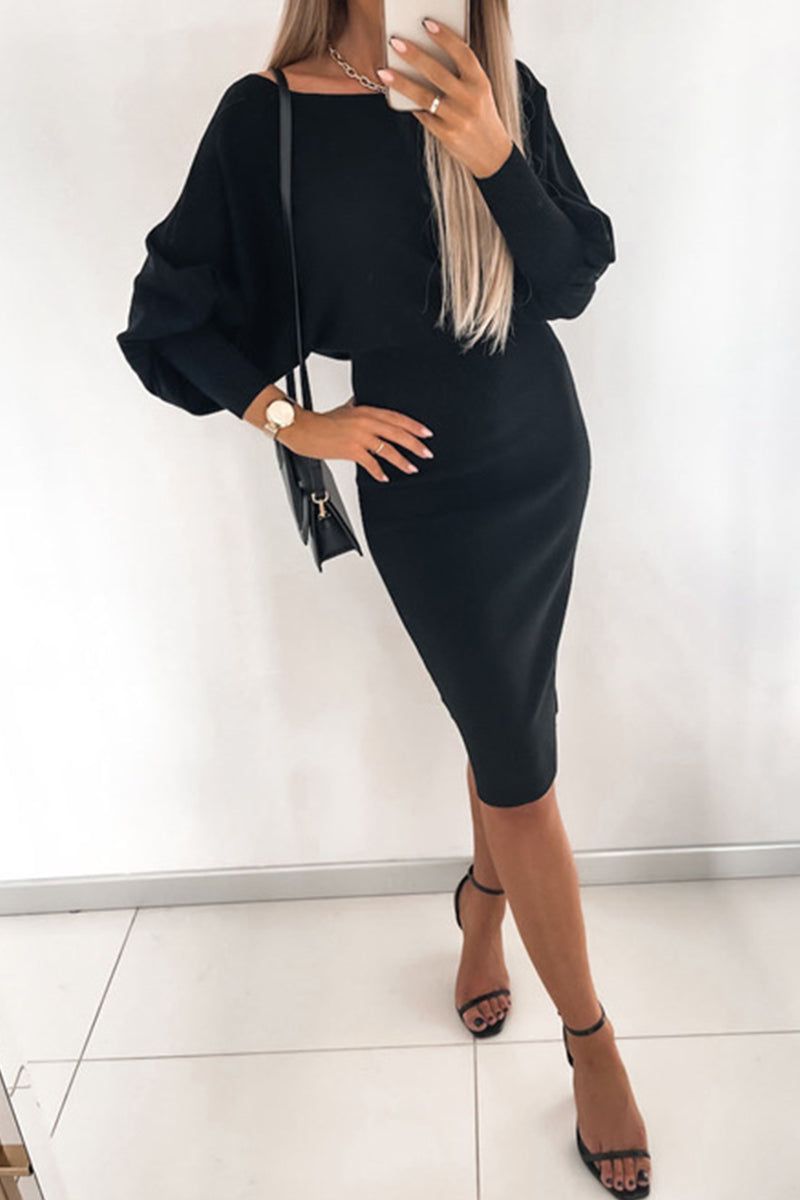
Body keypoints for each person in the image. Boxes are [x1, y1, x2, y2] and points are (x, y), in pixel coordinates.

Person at [117, 0, 651, 1193]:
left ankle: (482, 907)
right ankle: (591, 1040)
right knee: (518, 759)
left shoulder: (497, 83)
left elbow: (567, 282)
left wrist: (494, 155)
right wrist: (290, 418)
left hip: (541, 452)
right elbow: (167, 311)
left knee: (505, 727)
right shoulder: (266, 118)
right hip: (422, 489)